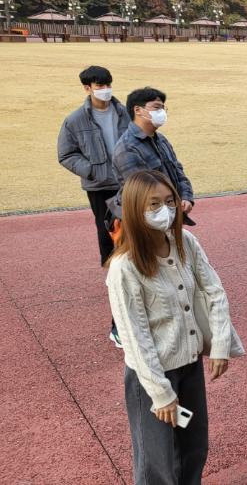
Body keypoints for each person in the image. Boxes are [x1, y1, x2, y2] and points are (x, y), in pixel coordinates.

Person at [106, 169, 244, 485]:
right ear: (133, 210)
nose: (164, 211)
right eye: (153, 205)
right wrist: (160, 393)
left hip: (189, 367)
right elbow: (134, 336)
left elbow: (214, 290)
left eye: (169, 201)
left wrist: (221, 344)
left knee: (193, 448)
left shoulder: (185, 241)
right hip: (153, 375)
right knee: (158, 463)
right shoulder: (124, 268)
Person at [57, 65, 131, 348]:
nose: (104, 89)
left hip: (129, 184)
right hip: (101, 189)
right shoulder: (75, 120)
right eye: (98, 85)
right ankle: (116, 308)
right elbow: (65, 154)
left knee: (135, 240)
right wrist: (92, 171)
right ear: (87, 88)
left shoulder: (125, 112)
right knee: (111, 243)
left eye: (107, 83)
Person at [111, 87, 195, 227]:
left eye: (163, 108)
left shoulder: (160, 139)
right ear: (137, 110)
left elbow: (177, 170)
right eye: (156, 107)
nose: (161, 113)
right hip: (147, 220)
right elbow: (143, 191)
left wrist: (186, 197)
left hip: (170, 213)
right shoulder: (127, 148)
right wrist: (171, 206)